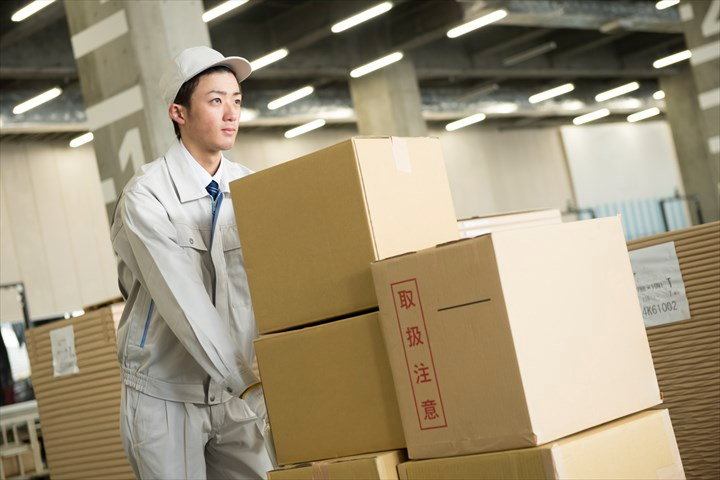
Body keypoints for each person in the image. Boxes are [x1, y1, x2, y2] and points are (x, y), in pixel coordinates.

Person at [111, 46, 275, 479]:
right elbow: (183, 301)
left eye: (237, 101)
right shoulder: (147, 197)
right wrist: (250, 385)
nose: (231, 113)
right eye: (216, 100)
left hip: (234, 393)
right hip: (166, 394)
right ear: (178, 113)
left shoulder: (253, 187)